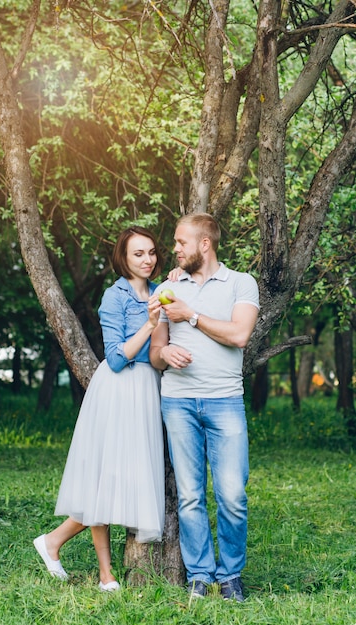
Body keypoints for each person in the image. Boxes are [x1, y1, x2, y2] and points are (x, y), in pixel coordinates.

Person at [34, 226, 166, 592]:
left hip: (148, 390)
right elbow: (115, 358)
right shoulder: (114, 296)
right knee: (105, 479)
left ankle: (53, 542)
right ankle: (105, 572)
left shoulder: (160, 293)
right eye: (138, 253)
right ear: (123, 258)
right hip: (118, 389)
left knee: (126, 479)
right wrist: (151, 325)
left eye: (152, 252)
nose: (148, 260)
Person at [149, 213, 259, 603]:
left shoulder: (241, 283)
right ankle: (199, 575)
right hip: (177, 403)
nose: (175, 249)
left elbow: (240, 334)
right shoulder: (167, 287)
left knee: (231, 494)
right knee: (191, 495)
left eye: (181, 242)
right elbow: (156, 354)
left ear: (204, 244)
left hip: (225, 401)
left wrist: (190, 316)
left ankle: (230, 576)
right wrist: (166, 350)